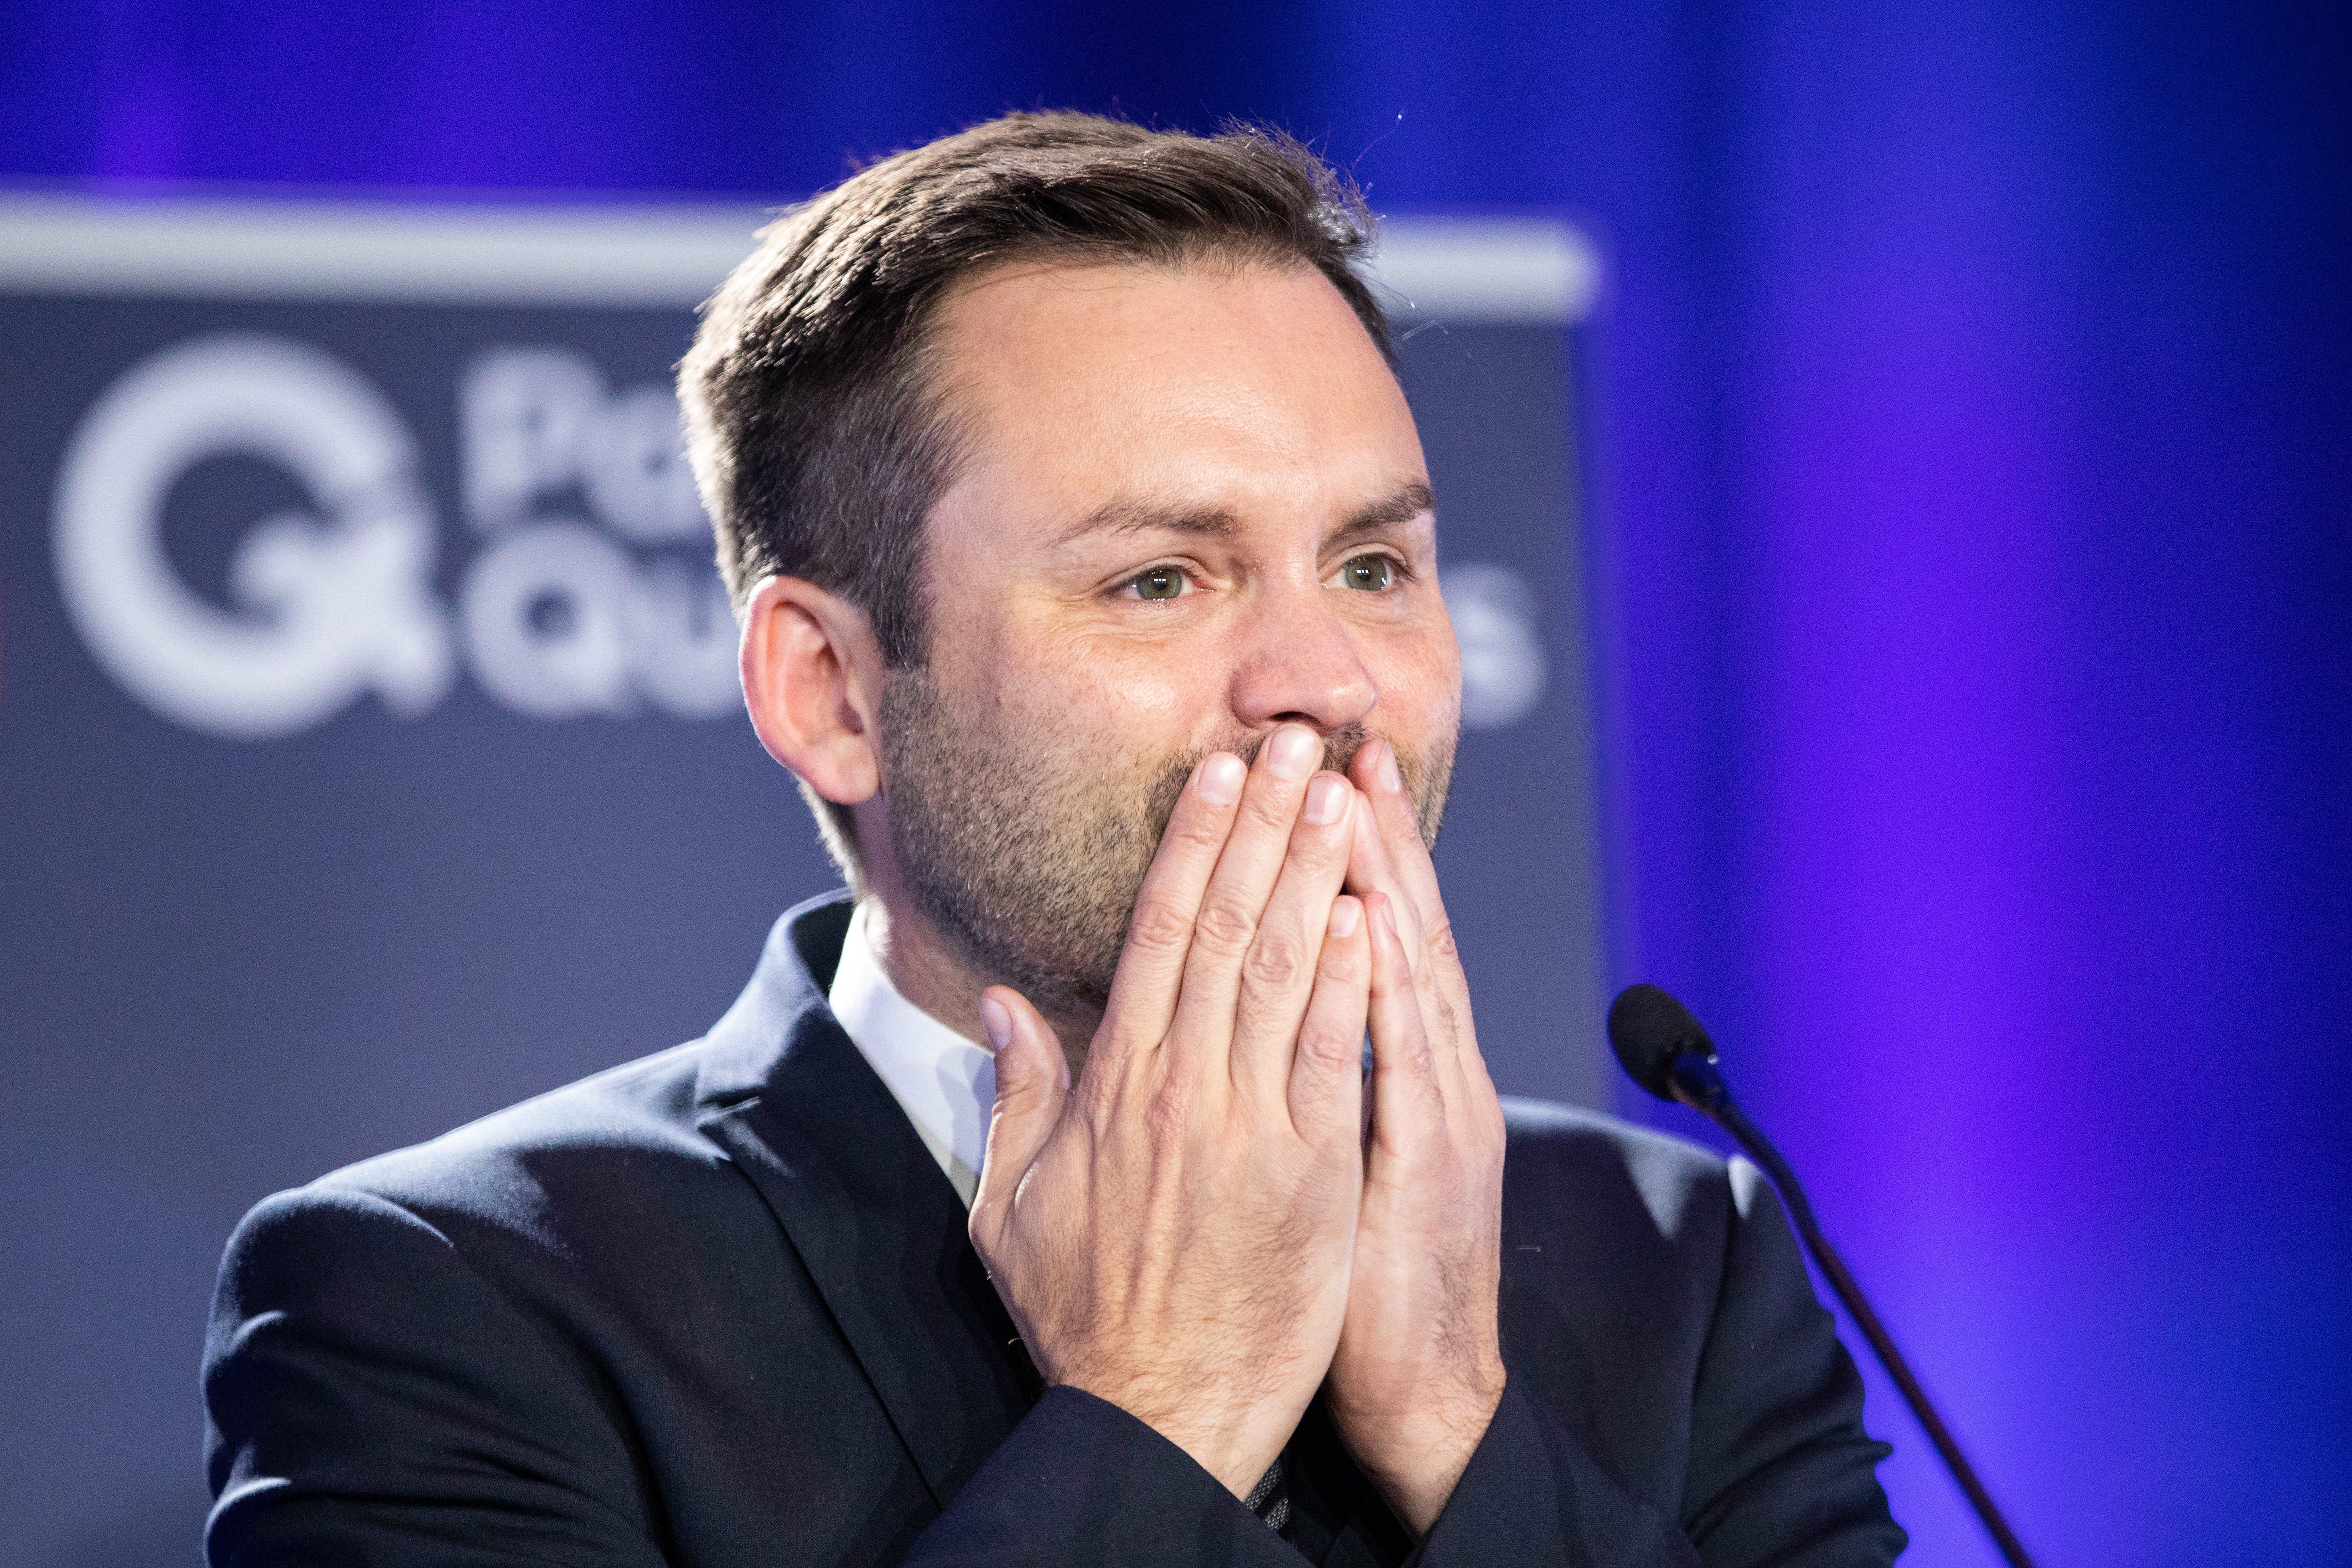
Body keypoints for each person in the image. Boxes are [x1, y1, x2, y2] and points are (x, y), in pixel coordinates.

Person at [203, 112, 1905, 1567]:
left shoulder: (1678, 1265)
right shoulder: (458, 1307)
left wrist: (1462, 1429)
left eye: (1372, 566)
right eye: (1159, 577)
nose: (1321, 682)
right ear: (832, 690)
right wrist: (1160, 1410)